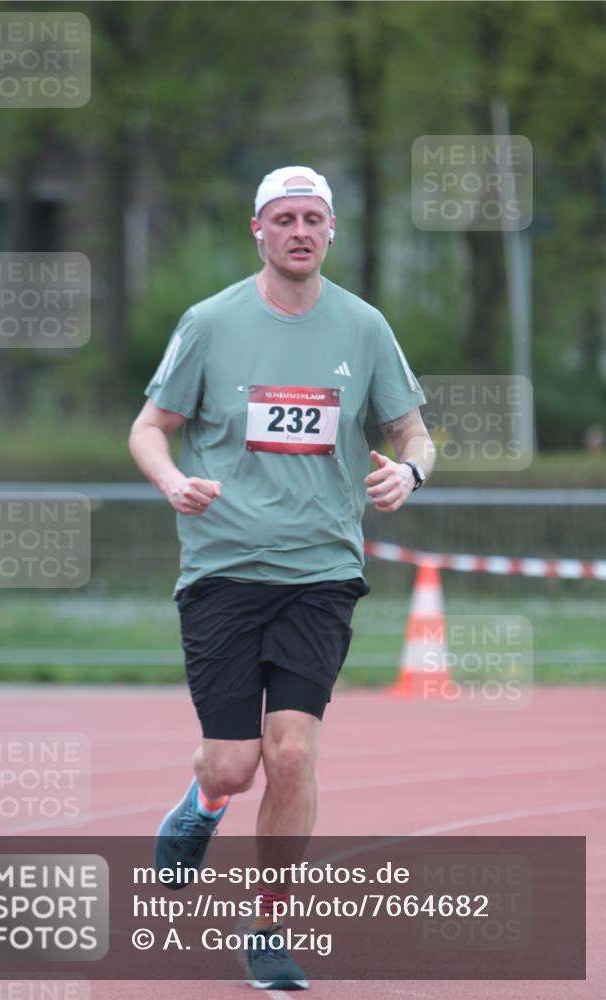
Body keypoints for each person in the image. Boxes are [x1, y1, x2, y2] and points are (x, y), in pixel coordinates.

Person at [128, 165, 435, 990]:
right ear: (256, 229)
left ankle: (267, 924)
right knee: (231, 764)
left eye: (314, 218)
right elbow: (151, 427)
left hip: (321, 572)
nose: (300, 231)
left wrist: (408, 475)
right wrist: (169, 480)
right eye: (284, 218)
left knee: (291, 754)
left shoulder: (363, 327)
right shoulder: (210, 322)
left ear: (330, 230)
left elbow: (414, 433)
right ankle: (200, 810)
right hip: (223, 570)